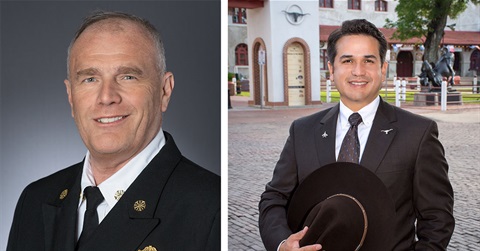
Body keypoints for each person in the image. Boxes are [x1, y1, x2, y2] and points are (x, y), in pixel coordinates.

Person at [7, 11, 219, 251]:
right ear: (70, 97)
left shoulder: (211, 208)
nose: (106, 97)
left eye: (128, 76)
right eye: (89, 79)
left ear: (164, 91)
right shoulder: (35, 200)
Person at [259, 19, 454, 251]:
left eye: (368, 61)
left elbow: (437, 218)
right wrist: (282, 244)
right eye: (348, 60)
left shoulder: (418, 134)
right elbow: (274, 198)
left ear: (383, 69)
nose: (358, 71)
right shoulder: (302, 131)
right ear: (331, 69)